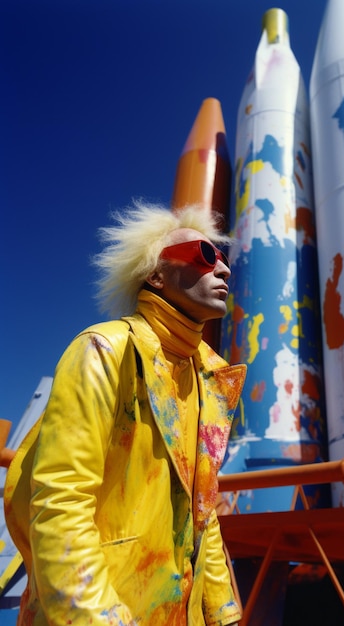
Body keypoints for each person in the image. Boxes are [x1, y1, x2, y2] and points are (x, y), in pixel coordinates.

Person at [4, 201, 246, 625]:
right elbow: (61, 500)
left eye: (223, 259)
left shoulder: (208, 379)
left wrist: (223, 612)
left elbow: (203, 517)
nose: (222, 269)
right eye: (205, 256)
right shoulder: (104, 350)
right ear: (155, 274)